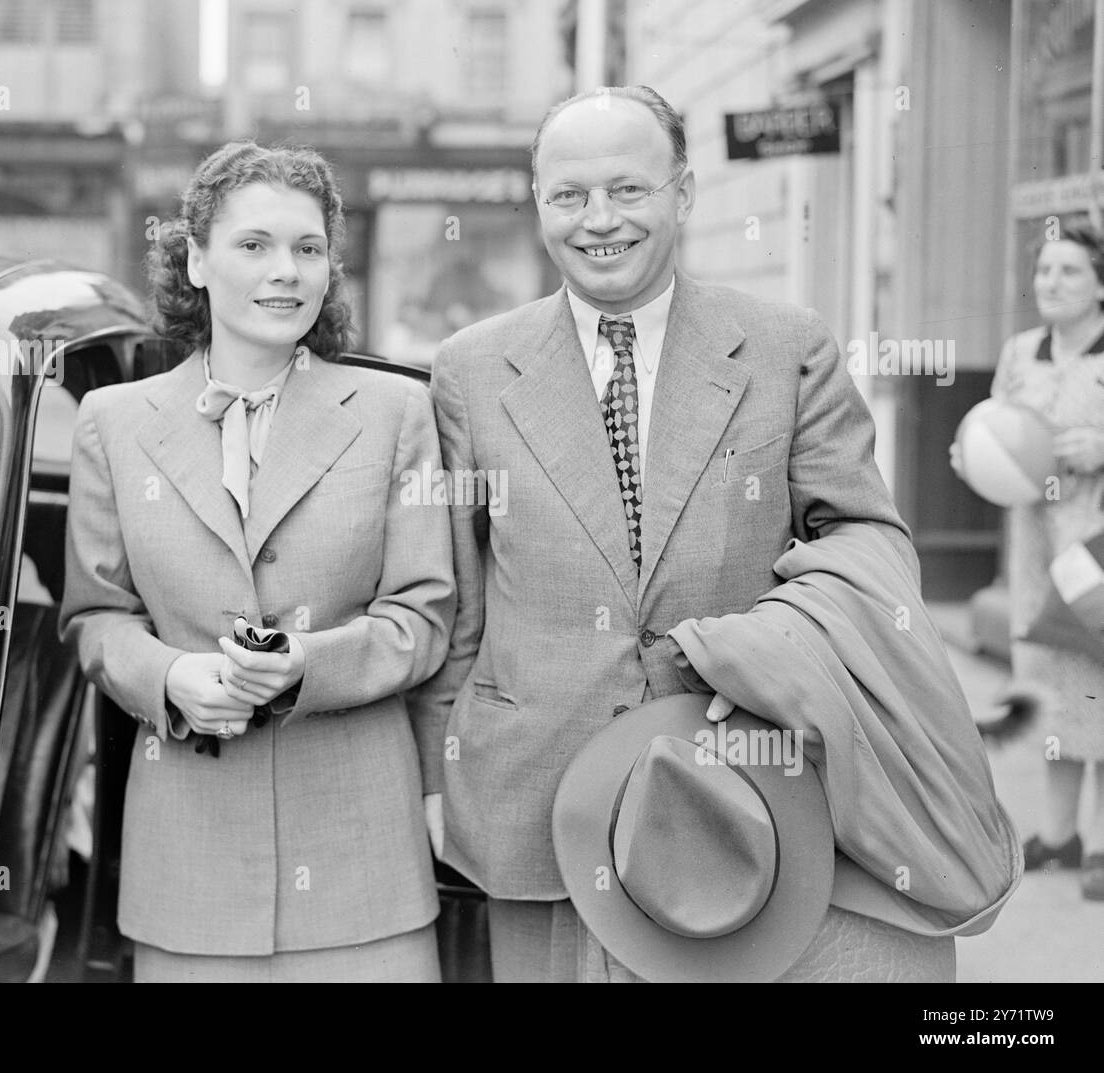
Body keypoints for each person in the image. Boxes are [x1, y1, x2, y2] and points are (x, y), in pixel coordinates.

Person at [409, 86, 981, 982]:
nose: (599, 220)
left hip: (741, 797)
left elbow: (867, 542)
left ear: (682, 192)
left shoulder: (787, 347)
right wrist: (437, 773)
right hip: (536, 804)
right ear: (537, 204)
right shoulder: (470, 370)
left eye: (628, 190)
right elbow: (457, 600)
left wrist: (761, 643)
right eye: (569, 196)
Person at [59, 141, 456, 981]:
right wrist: (169, 678)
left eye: (307, 248)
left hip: (364, 873)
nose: (287, 271)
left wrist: (308, 663)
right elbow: (95, 619)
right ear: (195, 260)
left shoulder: (396, 412)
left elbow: (424, 618)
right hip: (188, 872)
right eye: (254, 246)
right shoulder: (113, 422)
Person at [959, 224, 1104, 901]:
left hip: (1096, 547)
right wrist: (972, 455)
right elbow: (993, 430)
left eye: (1069, 271)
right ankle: (1057, 832)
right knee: (1051, 686)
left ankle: (1101, 844)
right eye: (1044, 270)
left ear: (1100, 285)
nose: (1050, 282)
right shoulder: (1020, 351)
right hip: (1035, 544)